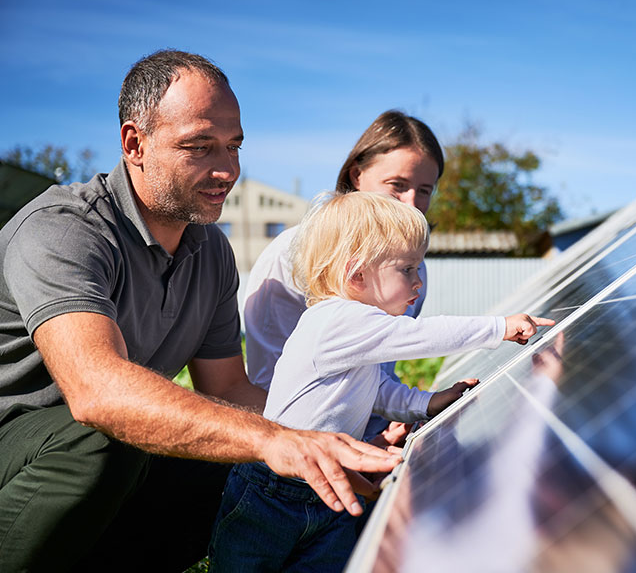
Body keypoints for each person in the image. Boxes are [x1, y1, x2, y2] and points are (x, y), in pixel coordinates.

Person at [0, 50, 399, 573]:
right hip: (20, 448)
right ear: (134, 144)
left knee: (233, 466)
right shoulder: (63, 230)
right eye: (198, 147)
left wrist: (336, 437)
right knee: (102, 442)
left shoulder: (209, 250)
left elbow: (229, 390)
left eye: (234, 147)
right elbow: (99, 394)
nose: (226, 170)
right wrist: (274, 440)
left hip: (95, 469)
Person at [209, 191, 554, 572]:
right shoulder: (335, 320)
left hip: (331, 481)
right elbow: (421, 335)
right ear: (356, 274)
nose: (418, 281)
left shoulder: (357, 329)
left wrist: (426, 403)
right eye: (407, 269)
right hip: (274, 489)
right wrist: (498, 327)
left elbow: (376, 390)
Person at [243, 110, 442, 407]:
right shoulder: (294, 255)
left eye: (424, 190)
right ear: (356, 176)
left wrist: (395, 419)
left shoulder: (414, 270)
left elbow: (378, 371)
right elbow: (270, 381)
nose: (412, 203)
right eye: (397, 185)